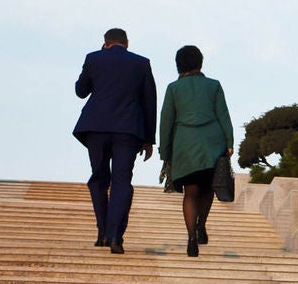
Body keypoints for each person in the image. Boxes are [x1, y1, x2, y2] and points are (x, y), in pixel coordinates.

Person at [72, 27, 156, 254]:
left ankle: (101, 233)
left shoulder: (93, 58)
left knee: (99, 179)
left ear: (105, 43)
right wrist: (149, 139)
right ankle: (115, 235)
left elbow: (81, 91)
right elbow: (149, 102)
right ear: (127, 43)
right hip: (128, 130)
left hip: (96, 129)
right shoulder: (141, 63)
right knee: (121, 182)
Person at [157, 45, 233, 258]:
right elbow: (223, 115)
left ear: (178, 65)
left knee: (190, 193)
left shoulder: (173, 88)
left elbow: (166, 122)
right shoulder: (213, 85)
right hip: (212, 144)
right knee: (208, 190)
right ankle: (201, 225)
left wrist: (165, 151)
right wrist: (229, 141)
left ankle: (191, 236)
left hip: (185, 146)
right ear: (200, 63)